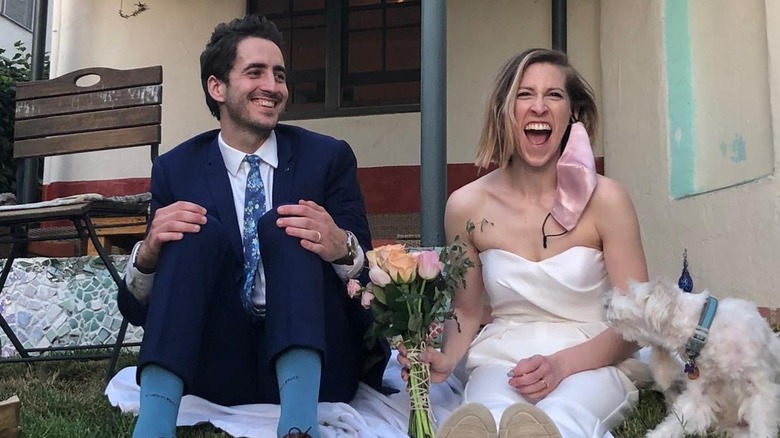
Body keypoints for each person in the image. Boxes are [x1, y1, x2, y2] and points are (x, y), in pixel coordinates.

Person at [117, 15, 389, 438]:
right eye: (256, 72)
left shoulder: (327, 158)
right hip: (217, 370)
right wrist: (148, 253)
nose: (273, 86)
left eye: (279, 75)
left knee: (289, 226)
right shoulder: (176, 169)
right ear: (217, 87)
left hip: (318, 366)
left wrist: (342, 247)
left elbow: (370, 285)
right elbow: (135, 310)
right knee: (189, 233)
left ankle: (299, 427)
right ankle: (154, 427)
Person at [400, 49, 649, 438]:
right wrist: (447, 357)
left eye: (554, 95)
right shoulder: (466, 205)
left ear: (573, 113)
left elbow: (636, 320)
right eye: (524, 94)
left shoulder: (608, 199)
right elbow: (466, 310)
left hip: (591, 358)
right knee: (484, 418)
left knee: (560, 418)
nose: (539, 107)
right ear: (505, 111)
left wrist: (561, 366)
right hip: (502, 357)